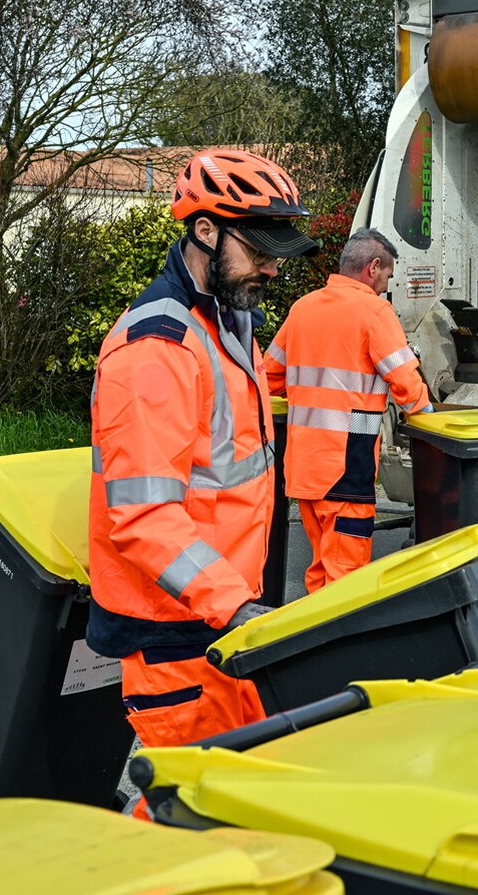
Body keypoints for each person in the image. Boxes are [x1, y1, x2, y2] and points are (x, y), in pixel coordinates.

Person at [86, 148, 317, 770]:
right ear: (205, 231)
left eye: (277, 254)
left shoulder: (228, 324)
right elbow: (144, 516)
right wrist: (236, 605)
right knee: (189, 810)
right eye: (259, 251)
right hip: (177, 627)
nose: (272, 269)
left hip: (218, 618)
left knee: (234, 798)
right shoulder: (157, 347)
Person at [264, 228, 432, 593]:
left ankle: (311, 644)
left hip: (304, 470)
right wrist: (430, 417)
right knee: (346, 584)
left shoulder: (302, 309)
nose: (387, 285)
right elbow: (405, 383)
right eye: (388, 276)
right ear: (373, 268)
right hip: (346, 471)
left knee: (321, 572)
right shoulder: (374, 311)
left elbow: (269, 377)